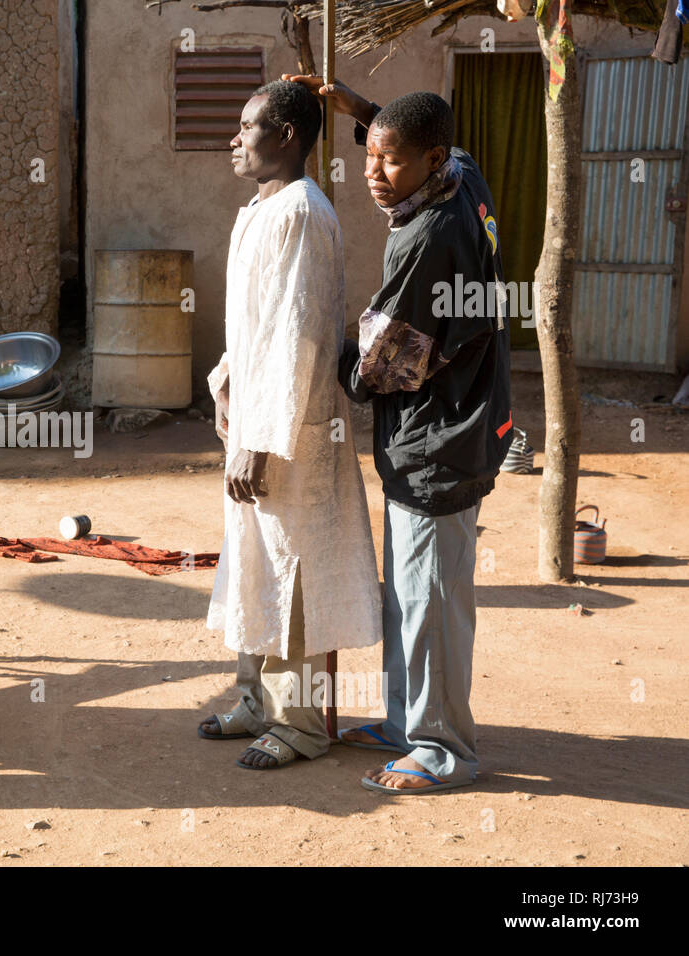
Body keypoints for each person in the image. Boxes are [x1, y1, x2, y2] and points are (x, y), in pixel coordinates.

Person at [286, 77, 513, 793]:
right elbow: (415, 136)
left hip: (441, 441)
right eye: (369, 157)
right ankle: (403, 723)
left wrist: (321, 355)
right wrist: (359, 109)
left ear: (431, 157)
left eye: (389, 161)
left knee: (432, 600)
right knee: (407, 592)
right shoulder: (462, 175)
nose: (373, 176)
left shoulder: (428, 240)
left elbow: (385, 364)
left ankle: (443, 749)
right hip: (444, 431)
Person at [198, 80, 383, 770]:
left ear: (286, 136)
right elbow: (254, 324)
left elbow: (301, 335)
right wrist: (225, 385)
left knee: (294, 573)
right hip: (254, 417)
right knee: (255, 564)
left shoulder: (304, 212)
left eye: (247, 127)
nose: (234, 139)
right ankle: (257, 701)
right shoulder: (260, 209)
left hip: (294, 432)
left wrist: (262, 437)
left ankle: (301, 725)